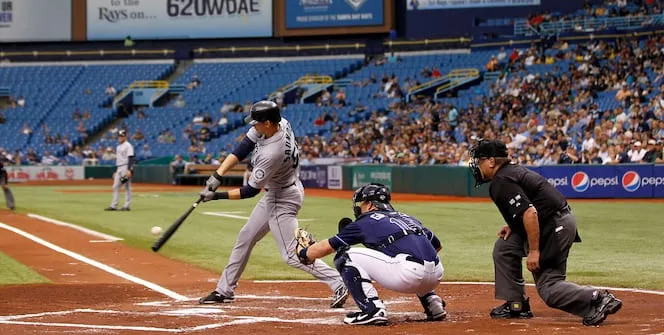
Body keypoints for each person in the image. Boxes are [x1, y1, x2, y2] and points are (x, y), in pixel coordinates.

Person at [196, 100, 348, 308]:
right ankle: (225, 290)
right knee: (246, 238)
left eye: (256, 123)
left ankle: (340, 282)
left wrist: (215, 196)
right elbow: (243, 147)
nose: (253, 126)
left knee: (292, 255)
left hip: (281, 198)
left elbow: (250, 191)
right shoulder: (281, 123)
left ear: (267, 123)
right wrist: (218, 174)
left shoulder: (272, 154)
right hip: (283, 190)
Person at [467, 139, 622, 326]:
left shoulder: (501, 180)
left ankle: (597, 298)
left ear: (491, 161)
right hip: (553, 221)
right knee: (505, 247)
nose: (477, 165)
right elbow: (533, 205)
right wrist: (514, 225)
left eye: (479, 160)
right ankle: (516, 303)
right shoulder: (510, 172)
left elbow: (529, 212)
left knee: (549, 288)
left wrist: (534, 251)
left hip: (554, 226)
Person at [297, 183, 446, 325]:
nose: (359, 208)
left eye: (361, 204)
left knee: (346, 255)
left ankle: (372, 309)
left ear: (369, 205)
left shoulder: (365, 221)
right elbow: (437, 246)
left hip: (408, 275)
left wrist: (304, 253)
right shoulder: (408, 218)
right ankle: (433, 303)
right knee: (416, 259)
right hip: (436, 274)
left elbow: (327, 247)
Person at [106, 129, 135, 211]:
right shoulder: (118, 146)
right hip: (119, 167)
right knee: (115, 186)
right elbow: (119, 159)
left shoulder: (128, 145)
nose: (120, 137)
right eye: (119, 136)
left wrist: (129, 170)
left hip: (126, 167)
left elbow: (131, 158)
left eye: (122, 136)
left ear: (125, 136)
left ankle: (127, 205)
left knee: (127, 186)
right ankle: (114, 205)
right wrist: (117, 170)